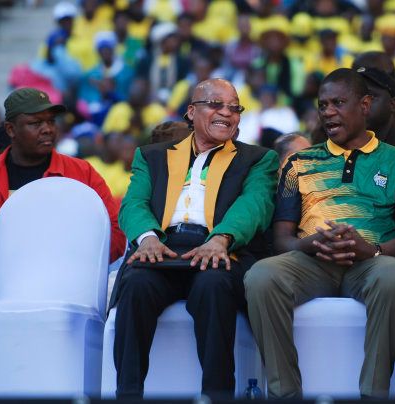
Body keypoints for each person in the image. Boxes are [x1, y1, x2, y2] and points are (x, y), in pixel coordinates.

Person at [244, 68, 395, 399]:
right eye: (323, 104)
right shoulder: (298, 163)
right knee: (261, 277)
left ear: (365, 104)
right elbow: (281, 238)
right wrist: (308, 243)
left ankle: (374, 393)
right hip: (312, 261)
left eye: (339, 103)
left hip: (371, 262)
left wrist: (369, 250)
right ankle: (285, 394)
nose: (328, 112)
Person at [110, 78, 278, 399]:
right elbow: (134, 203)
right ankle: (127, 395)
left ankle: (217, 395)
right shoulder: (153, 155)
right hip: (161, 249)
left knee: (213, 287)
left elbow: (254, 205)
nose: (226, 114)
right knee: (136, 285)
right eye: (216, 105)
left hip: (220, 251)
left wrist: (222, 239)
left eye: (234, 108)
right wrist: (147, 238)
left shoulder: (257, 159)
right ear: (191, 112)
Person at [0, 87, 127, 348]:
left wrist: (73, 263)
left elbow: (114, 233)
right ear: (10, 130)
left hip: (60, 282)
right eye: (35, 123)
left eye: (50, 122)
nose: (47, 129)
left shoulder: (81, 173)